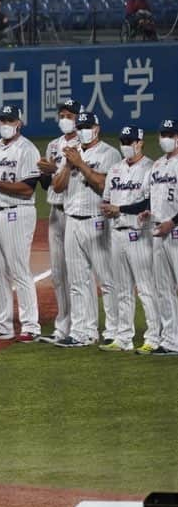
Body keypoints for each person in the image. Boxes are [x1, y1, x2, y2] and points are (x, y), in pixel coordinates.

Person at [0, 106, 42, 341]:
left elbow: (26, 189)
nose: (6, 123)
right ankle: (2, 324)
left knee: (19, 270)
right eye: (3, 119)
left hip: (17, 212)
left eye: (10, 120)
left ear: (19, 123)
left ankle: (31, 325)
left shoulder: (28, 149)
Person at [50, 111, 120, 347]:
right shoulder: (71, 153)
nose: (82, 130)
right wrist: (69, 165)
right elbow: (57, 188)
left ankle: (114, 330)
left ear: (97, 128)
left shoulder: (110, 153)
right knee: (77, 281)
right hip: (72, 220)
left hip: (97, 220)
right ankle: (83, 331)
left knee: (107, 279)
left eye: (87, 126)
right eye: (79, 127)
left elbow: (104, 186)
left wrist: (81, 164)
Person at [98, 125, 157, 352]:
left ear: (140, 142)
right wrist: (109, 209)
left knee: (146, 289)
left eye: (130, 141)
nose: (126, 145)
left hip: (139, 235)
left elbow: (148, 203)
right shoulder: (115, 169)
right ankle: (123, 338)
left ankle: (153, 337)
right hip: (117, 235)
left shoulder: (151, 168)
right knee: (122, 290)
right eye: (123, 141)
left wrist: (119, 209)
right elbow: (106, 200)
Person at [36, 100, 81, 343]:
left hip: (75, 212)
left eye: (70, 115)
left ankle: (80, 326)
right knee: (58, 273)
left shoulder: (83, 144)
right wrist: (45, 172)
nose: (65, 118)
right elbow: (47, 183)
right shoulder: (53, 145)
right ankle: (62, 326)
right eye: (62, 114)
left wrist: (54, 170)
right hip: (55, 212)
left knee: (76, 273)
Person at [137, 118, 178, 355]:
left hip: (174, 231)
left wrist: (172, 222)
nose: (166, 138)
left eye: (170, 134)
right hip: (158, 233)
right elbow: (154, 197)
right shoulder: (158, 166)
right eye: (163, 134)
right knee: (163, 289)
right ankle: (171, 341)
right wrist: (148, 212)